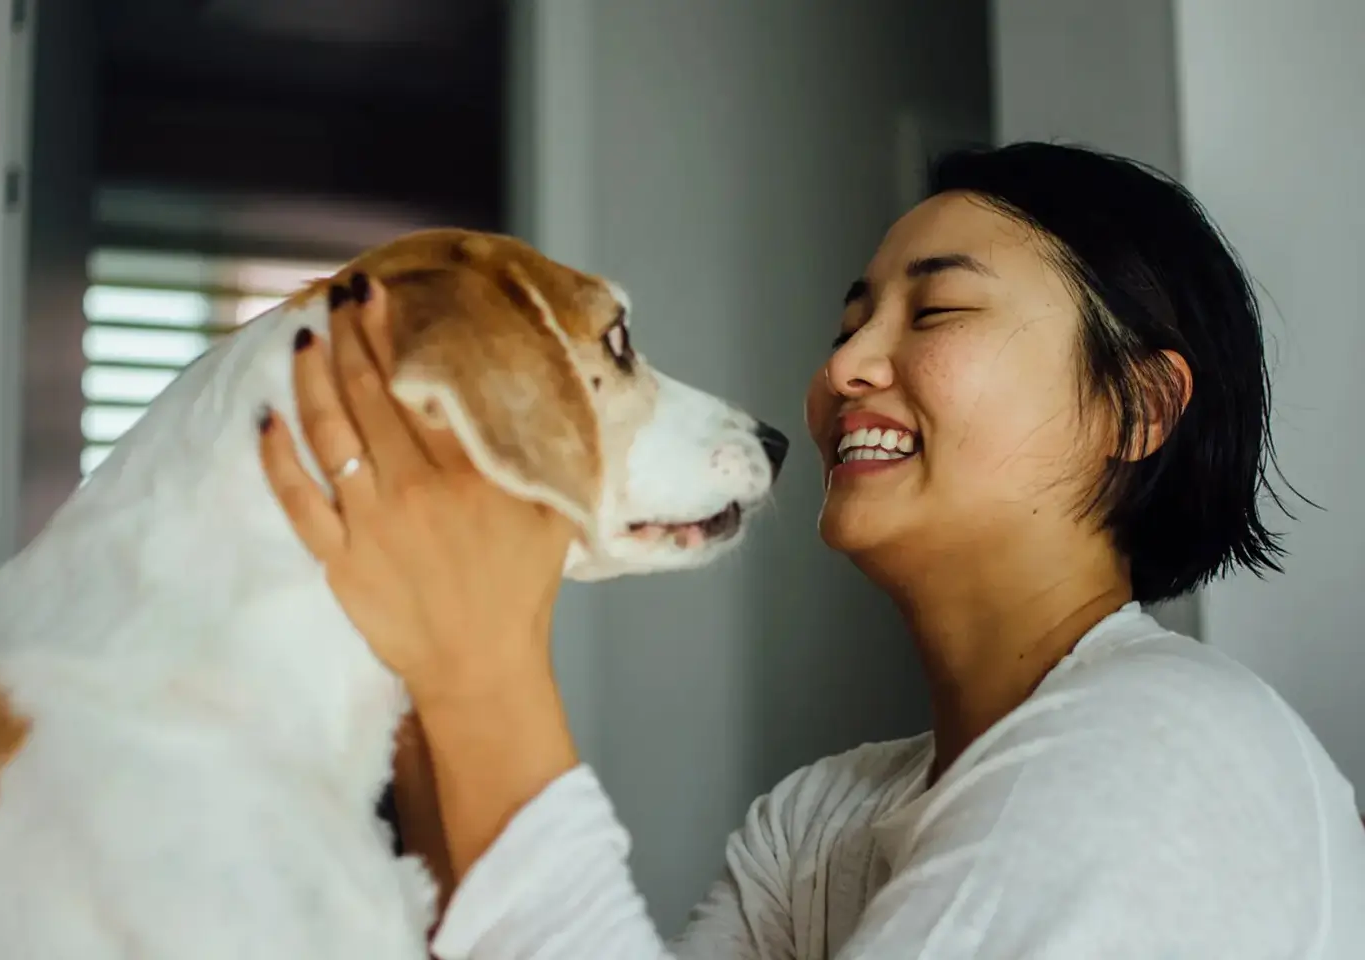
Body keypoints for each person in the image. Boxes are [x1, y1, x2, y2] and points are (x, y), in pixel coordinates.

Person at [256, 142, 1365, 958]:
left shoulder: (1164, 745)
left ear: (1138, 407)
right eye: (847, 326)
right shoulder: (822, 819)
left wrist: (483, 660)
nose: (842, 373)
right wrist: (409, 657)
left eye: (933, 317)